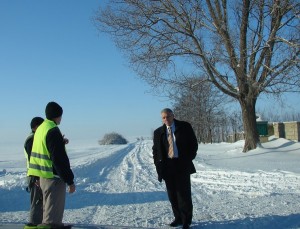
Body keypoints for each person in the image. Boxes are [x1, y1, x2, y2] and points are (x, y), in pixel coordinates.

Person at [27, 101, 76, 229]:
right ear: (57, 115)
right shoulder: (52, 130)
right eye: (60, 115)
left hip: (42, 176)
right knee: (52, 218)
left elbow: (43, 150)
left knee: (47, 209)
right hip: (53, 177)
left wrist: (60, 142)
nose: (61, 118)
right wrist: (69, 180)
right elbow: (58, 159)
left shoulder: (41, 129)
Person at [152, 108, 198, 229]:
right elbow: (156, 150)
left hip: (182, 164)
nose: (166, 119)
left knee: (184, 194)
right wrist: (158, 164)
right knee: (172, 194)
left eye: (168, 116)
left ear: (173, 116)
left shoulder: (184, 127)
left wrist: (188, 159)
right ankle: (177, 218)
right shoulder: (158, 132)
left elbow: (193, 144)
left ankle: (186, 221)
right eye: (163, 117)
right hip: (167, 167)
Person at [24, 117, 44, 228]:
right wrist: (37, 177)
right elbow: (34, 159)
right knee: (37, 203)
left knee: (39, 202)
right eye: (41, 126)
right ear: (36, 127)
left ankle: (37, 224)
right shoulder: (31, 140)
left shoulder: (34, 138)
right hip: (34, 175)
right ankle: (33, 225)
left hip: (35, 174)